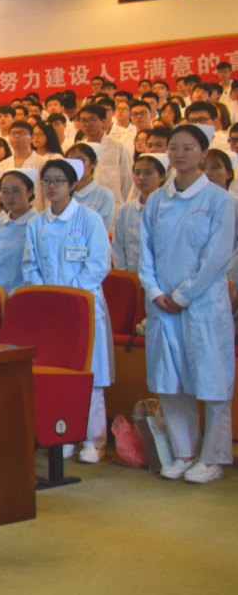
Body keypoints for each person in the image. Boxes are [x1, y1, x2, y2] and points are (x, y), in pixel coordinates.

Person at [139, 124, 236, 483]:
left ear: (204, 154)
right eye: (174, 148)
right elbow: (145, 251)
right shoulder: (157, 200)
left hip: (202, 306)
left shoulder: (220, 200)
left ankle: (212, 458)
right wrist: (154, 291)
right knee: (169, 381)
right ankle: (184, 452)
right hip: (162, 305)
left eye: (189, 148)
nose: (180, 154)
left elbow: (217, 255)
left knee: (212, 381)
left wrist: (183, 295)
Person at [25, 157, 116, 465]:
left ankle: (93, 440)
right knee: (58, 374)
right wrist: (49, 296)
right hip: (51, 311)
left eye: (58, 181)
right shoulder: (37, 223)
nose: (51, 186)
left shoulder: (89, 219)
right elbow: (30, 266)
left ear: (73, 185)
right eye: (46, 181)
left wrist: (71, 296)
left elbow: (99, 264)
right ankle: (62, 436)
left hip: (84, 307)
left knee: (91, 374)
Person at [114, 153, 167, 272]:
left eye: (148, 173)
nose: (141, 178)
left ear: (162, 177)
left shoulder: (169, 209)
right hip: (131, 274)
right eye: (137, 173)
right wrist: (123, 275)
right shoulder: (125, 209)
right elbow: (117, 247)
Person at [0, 169, 38, 295]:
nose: (10, 196)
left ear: (30, 192)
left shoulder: (38, 225)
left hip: (25, 295)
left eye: (16, 191)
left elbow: (37, 270)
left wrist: (14, 294)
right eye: (5, 192)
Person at [66, 142, 116, 233]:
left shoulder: (105, 196)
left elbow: (101, 230)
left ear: (94, 163)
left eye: (81, 160)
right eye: (71, 161)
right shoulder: (63, 193)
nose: (76, 165)